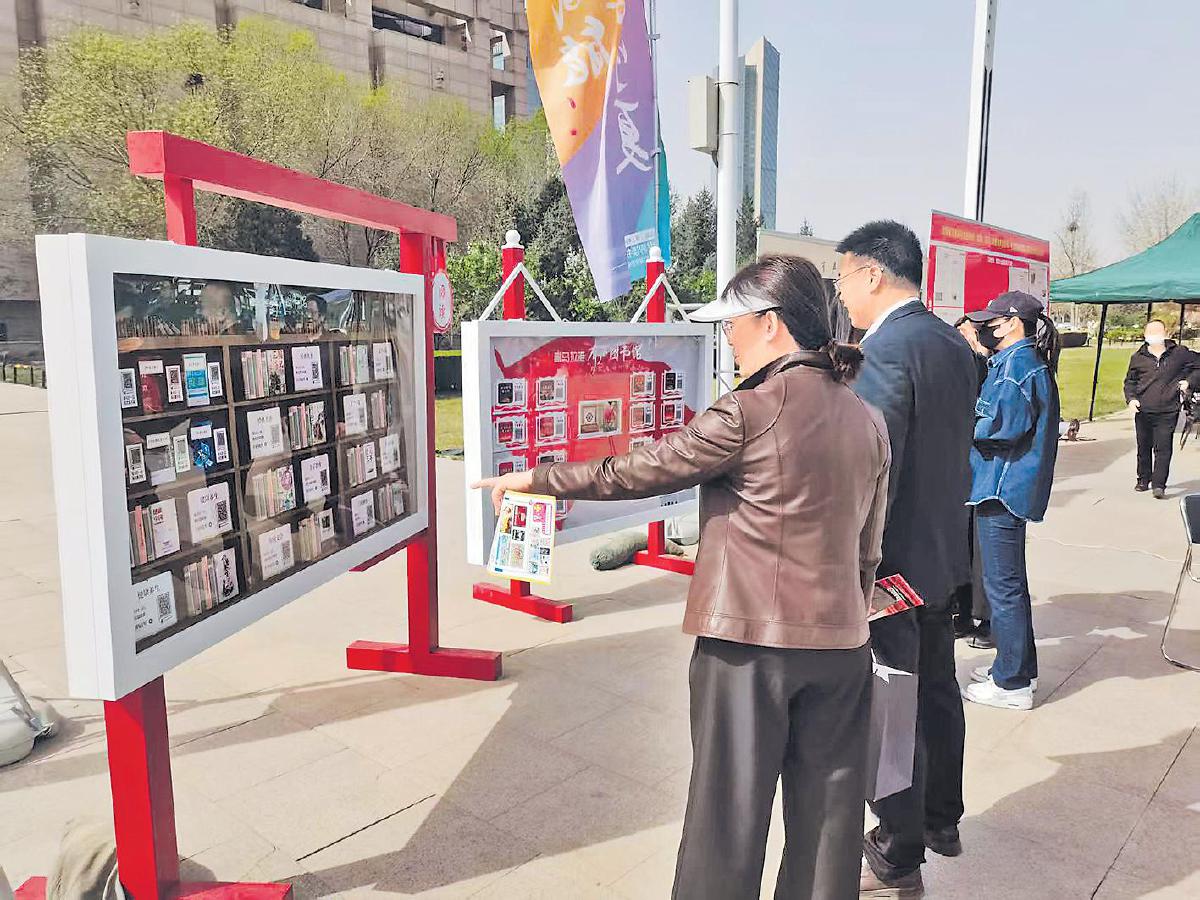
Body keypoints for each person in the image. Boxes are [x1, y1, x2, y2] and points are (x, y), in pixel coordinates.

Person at [476, 255, 891, 900]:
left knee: (726, 815)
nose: (728, 336)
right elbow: (869, 547)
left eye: (733, 323)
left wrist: (539, 477)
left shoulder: (750, 410)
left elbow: (637, 469)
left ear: (771, 323)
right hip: (843, 646)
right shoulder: (867, 418)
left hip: (749, 648)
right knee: (830, 822)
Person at [833, 221, 977, 900]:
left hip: (893, 567)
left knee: (894, 705)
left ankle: (896, 851)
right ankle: (941, 818)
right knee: (938, 689)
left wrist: (855, 566)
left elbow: (871, 467)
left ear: (873, 274)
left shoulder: (884, 349)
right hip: (942, 553)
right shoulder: (950, 341)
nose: (841, 294)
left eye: (842, 279)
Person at [962, 291, 1061, 711]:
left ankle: (1012, 683)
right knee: (1008, 586)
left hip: (1001, 489)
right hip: (1006, 487)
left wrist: (958, 420)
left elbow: (999, 427)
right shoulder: (1017, 361)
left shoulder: (1018, 365)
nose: (985, 327)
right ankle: (1017, 667)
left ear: (1013, 322)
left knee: (1002, 588)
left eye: (992, 321)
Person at [952, 315, 993, 649]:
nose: (965, 338)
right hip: (958, 469)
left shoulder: (990, 369)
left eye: (970, 333)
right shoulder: (958, 366)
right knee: (959, 547)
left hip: (983, 470)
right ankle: (962, 612)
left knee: (982, 553)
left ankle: (986, 619)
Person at [1124, 319, 1200, 499]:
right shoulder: (1138, 357)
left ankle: (1159, 484)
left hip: (1168, 410)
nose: (1154, 336)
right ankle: (1143, 479)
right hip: (1143, 410)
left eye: (1157, 332)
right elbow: (1130, 382)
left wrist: (1189, 382)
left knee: (1163, 448)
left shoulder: (1180, 353)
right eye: (1150, 332)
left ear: (1166, 333)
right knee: (1144, 447)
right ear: (1145, 335)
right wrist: (1131, 399)